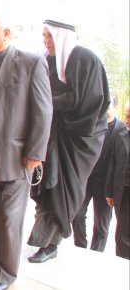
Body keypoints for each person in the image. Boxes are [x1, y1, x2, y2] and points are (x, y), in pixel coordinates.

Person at [0, 14, 52, 290]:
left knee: (9, 219)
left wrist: (36, 151)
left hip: (16, 157)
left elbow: (43, 110)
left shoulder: (31, 62)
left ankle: (5, 274)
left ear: (6, 32)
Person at [27, 20, 109, 263]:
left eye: (49, 36)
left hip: (78, 141)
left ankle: (50, 243)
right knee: (45, 186)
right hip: (52, 136)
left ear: (62, 37)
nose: (46, 41)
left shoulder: (85, 59)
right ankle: (45, 241)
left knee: (62, 190)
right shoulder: (46, 61)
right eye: (44, 35)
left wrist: (48, 101)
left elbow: (87, 102)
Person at [72, 92, 125, 251]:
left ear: (115, 107)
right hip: (87, 180)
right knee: (77, 215)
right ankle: (80, 247)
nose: (104, 108)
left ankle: (96, 253)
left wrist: (113, 189)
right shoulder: (93, 123)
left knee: (101, 226)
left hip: (106, 185)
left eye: (108, 105)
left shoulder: (121, 129)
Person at [105, 101, 130, 259]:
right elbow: (112, 165)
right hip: (124, 192)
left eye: (129, 116)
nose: (125, 120)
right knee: (123, 235)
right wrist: (109, 192)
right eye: (125, 115)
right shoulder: (121, 136)